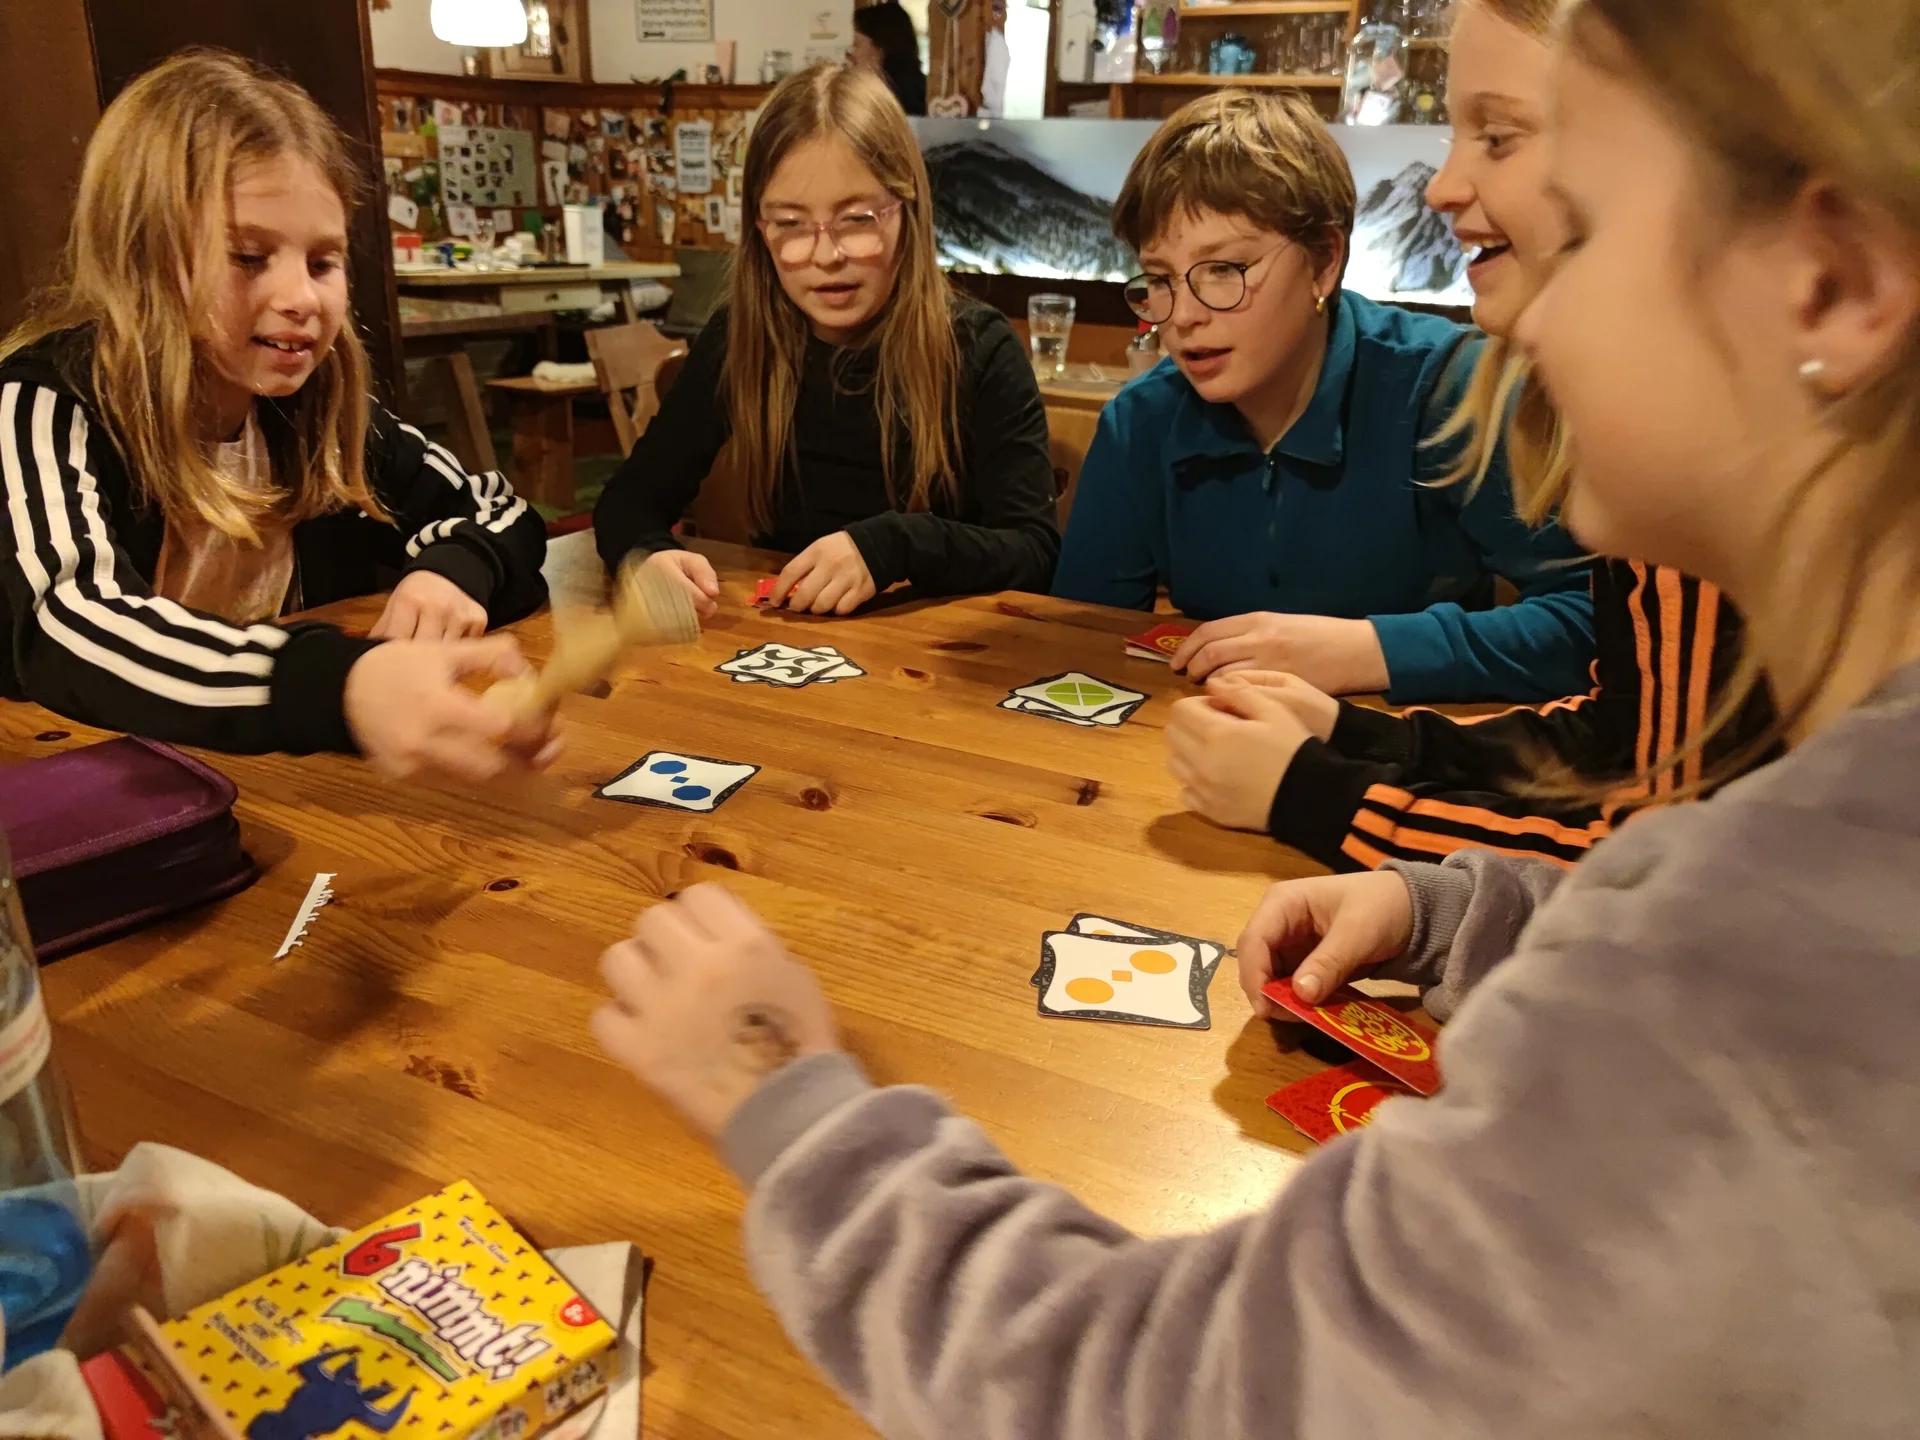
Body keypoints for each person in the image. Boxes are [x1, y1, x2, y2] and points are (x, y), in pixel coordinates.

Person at [591, 0, 1920, 1430]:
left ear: (1833, 283)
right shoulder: (1796, 812)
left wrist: (791, 1106)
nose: (1484, 268)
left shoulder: (1774, 966)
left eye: (1559, 220)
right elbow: (1650, 847)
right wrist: (1464, 910)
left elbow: (1176, 1392)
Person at [1163, 0, 1776, 871]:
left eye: (1497, 136)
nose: (1441, 187)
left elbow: (1670, 879)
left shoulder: (1721, 458)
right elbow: (1621, 737)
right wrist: (1360, 736)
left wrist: (1317, 792)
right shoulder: (1148, 413)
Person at [0, 50, 555, 783]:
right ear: (143, 258)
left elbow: (496, 508)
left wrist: (455, 572)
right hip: (87, 795)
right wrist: (338, 684)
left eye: (323, 262)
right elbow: (72, 623)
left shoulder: (315, 407)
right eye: (250, 257)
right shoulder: (42, 403)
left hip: (275, 781)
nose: (303, 297)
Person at [1051, 90, 1595, 706]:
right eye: (1159, 280)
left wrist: (1365, 650)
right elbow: (1085, 644)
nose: (1183, 317)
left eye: (1224, 270)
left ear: (1324, 261)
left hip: (1413, 757)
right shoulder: (1142, 420)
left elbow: (1597, 621)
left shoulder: (1447, 389)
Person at [593, 65, 1057, 616]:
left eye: (856, 218)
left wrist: (894, 545)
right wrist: (648, 555)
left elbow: (1034, 551)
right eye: (790, 223)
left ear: (907, 212)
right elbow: (627, 502)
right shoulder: (741, 338)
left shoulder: (978, 348)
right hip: (785, 645)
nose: (825, 256)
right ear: (759, 230)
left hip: (938, 658)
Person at [850, 2, 928, 118]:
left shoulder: (902, 94)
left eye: (857, 45)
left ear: (879, 50)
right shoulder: (918, 84)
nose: (852, 53)